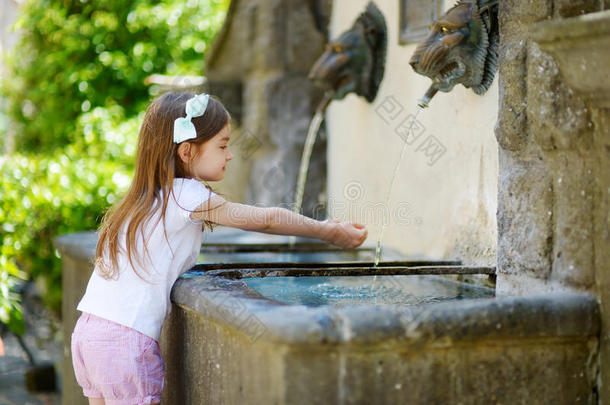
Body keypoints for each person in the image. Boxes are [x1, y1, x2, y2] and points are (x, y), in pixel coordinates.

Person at [70, 92, 368, 405]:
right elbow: (264, 220)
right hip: (125, 342)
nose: (230, 155)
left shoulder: (140, 201)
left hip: (89, 332)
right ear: (186, 151)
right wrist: (327, 231)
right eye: (222, 145)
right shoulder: (184, 195)